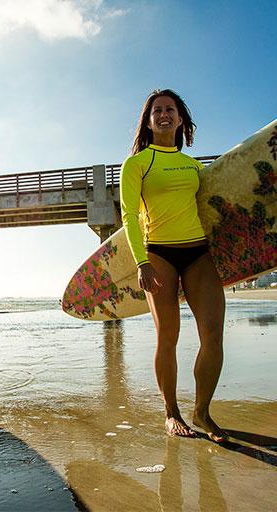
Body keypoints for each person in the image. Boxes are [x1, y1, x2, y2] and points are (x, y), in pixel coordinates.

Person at [120, 89, 227, 443]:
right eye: (157, 110)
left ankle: (203, 412)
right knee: (168, 335)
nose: (164, 114)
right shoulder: (137, 163)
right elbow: (129, 217)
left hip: (198, 253)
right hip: (159, 254)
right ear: (148, 121)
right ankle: (171, 413)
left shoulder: (195, 166)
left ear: (181, 119)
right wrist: (140, 261)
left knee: (212, 335)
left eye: (170, 110)